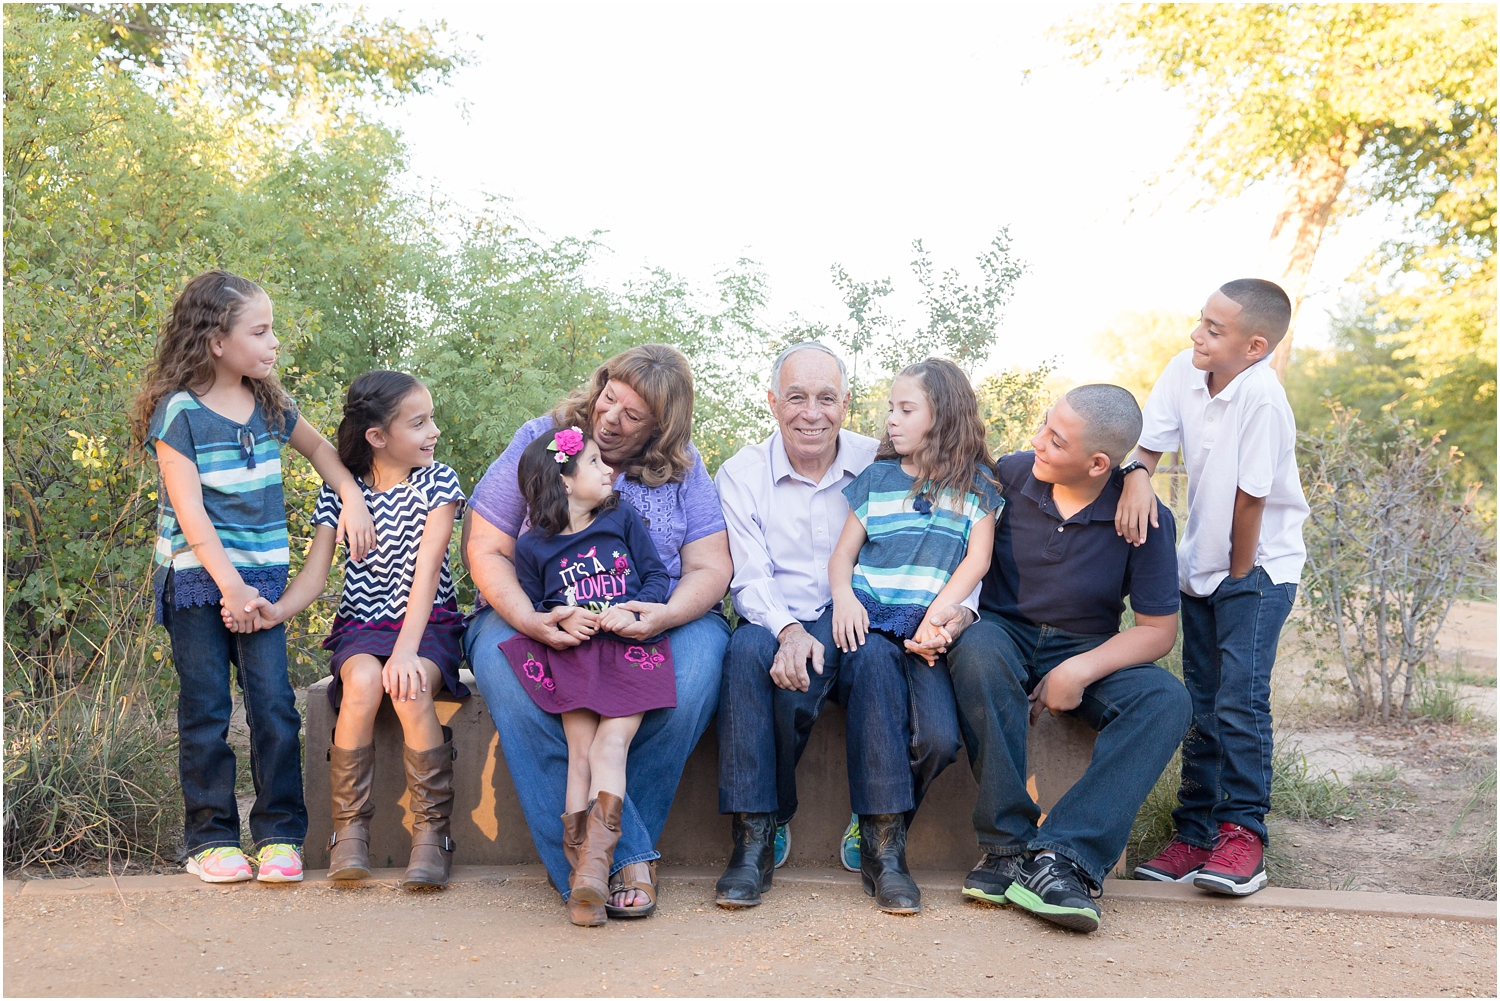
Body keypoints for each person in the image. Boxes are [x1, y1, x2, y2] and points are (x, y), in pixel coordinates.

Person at [463, 344, 731, 919]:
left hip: (651, 616)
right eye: (610, 399)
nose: (611, 419)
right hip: (539, 612)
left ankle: (605, 858)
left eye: (633, 416)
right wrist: (532, 618)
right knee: (514, 684)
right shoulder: (544, 438)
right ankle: (616, 861)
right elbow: (487, 547)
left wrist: (663, 614)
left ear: (662, 427)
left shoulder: (683, 464)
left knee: (698, 667)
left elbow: (710, 568)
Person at [131, 270, 375, 884]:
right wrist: (230, 589)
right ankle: (211, 838)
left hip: (262, 579)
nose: (273, 346)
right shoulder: (178, 413)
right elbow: (190, 515)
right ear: (216, 341)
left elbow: (324, 454)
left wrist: (350, 494)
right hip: (197, 578)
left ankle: (279, 834)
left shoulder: (270, 403)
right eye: (260, 332)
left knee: (272, 705)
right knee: (208, 707)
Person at [714, 345, 979, 910]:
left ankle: (885, 846)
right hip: (774, 613)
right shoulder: (741, 472)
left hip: (863, 616)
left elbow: (949, 531)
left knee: (878, 663)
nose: (812, 413)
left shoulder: (880, 461)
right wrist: (788, 630)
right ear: (771, 403)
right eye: (796, 398)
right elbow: (749, 576)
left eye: (827, 398)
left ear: (845, 403)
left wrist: (957, 611)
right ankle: (753, 835)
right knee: (743, 653)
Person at [945, 384, 1190, 934]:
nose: (1038, 442)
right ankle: (1005, 847)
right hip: (1002, 631)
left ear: (1098, 463)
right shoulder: (1010, 475)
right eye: (1044, 427)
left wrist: (1078, 670)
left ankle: (1065, 858)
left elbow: (1156, 633)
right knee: (979, 653)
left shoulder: (1143, 518)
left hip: (1086, 645)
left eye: (1055, 440)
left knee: (1166, 699)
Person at [235, 371, 467, 889]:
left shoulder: (439, 482)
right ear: (377, 437)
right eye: (419, 422)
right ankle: (350, 834)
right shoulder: (343, 493)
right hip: (363, 624)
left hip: (427, 625)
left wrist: (407, 652)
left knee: (405, 691)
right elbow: (316, 576)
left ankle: (432, 835)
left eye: (431, 420)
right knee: (362, 682)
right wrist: (276, 610)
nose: (433, 432)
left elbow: (428, 571)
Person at [1117, 279, 1308, 896]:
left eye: (1214, 330)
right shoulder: (1184, 369)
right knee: (1202, 701)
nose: (1197, 335)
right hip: (1201, 564)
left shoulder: (1263, 399)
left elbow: (1250, 498)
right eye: (1201, 321)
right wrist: (1137, 479)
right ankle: (1194, 831)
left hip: (1256, 569)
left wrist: (1237, 577)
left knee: (1239, 700)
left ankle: (1243, 833)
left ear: (1255, 346)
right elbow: (1145, 449)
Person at [501, 428, 676, 925]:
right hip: (575, 656)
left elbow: (657, 575)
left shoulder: (620, 517)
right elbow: (539, 606)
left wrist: (634, 611)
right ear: (564, 480)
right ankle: (586, 883)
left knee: (608, 746)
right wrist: (563, 616)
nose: (609, 470)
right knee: (579, 752)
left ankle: (596, 866)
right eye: (596, 463)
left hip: (628, 651)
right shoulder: (533, 546)